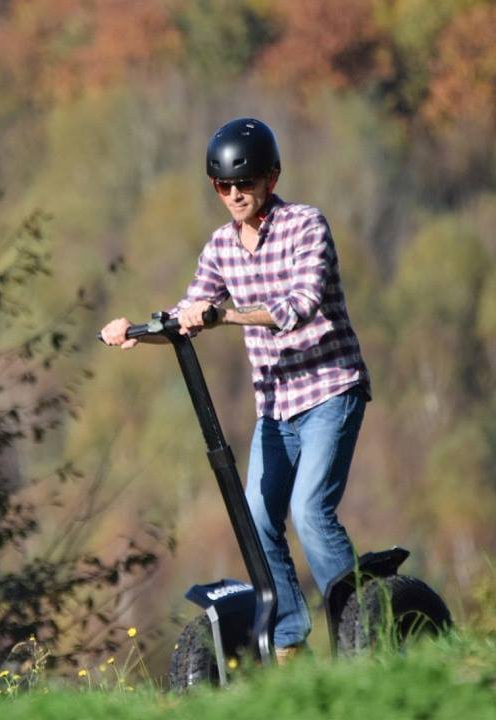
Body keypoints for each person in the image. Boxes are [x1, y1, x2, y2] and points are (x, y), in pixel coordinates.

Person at [99, 117, 371, 661]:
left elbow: (298, 307)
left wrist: (224, 315)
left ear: (271, 177)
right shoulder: (221, 247)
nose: (235, 195)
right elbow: (189, 314)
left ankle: (362, 636)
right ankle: (290, 642)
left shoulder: (305, 225)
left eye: (244, 183)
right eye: (223, 186)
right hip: (276, 406)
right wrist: (136, 332)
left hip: (329, 390)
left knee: (310, 511)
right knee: (257, 517)